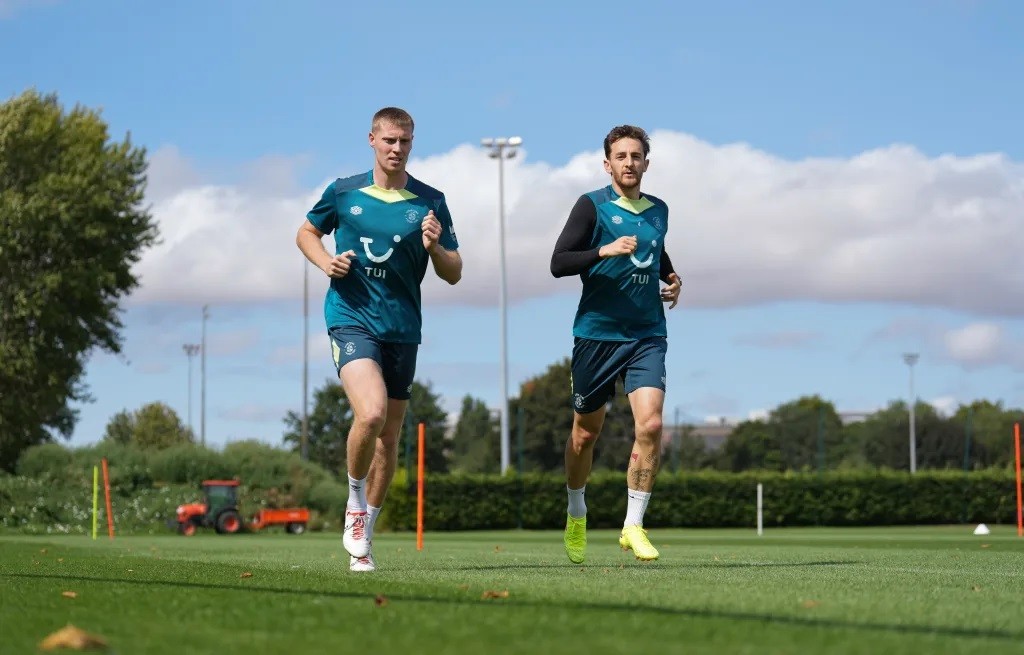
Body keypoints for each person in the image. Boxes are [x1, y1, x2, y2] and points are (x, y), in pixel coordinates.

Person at [296, 107, 462, 572]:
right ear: (371, 139)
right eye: (389, 140)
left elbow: (454, 272)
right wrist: (325, 262)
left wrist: (435, 248)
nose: (396, 148)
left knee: (389, 437)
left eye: (404, 141)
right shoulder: (344, 191)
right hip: (351, 319)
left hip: (403, 329)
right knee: (370, 413)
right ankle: (353, 505)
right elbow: (306, 232)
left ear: (412, 143)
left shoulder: (430, 201)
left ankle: (365, 534)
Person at [550, 124, 682, 563]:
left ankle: (633, 525)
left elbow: (656, 252)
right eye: (620, 156)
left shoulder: (659, 209)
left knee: (652, 426)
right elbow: (559, 262)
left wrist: (672, 279)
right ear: (608, 164)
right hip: (597, 337)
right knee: (585, 434)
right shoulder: (591, 207)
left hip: (647, 335)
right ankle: (576, 509)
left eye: (636, 156)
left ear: (646, 162)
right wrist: (602, 251)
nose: (629, 163)